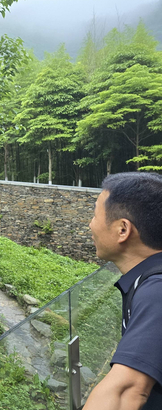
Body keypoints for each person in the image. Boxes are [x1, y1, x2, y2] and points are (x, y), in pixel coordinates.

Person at [84, 172, 162, 410]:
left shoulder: (156, 291)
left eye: (96, 215)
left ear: (122, 230)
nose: (90, 224)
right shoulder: (147, 281)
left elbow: (126, 392)